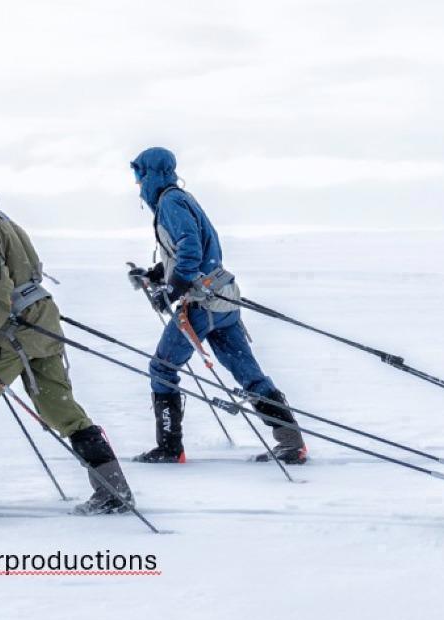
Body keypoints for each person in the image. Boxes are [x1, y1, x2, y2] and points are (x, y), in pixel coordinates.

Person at [0, 172, 134, 515]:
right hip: (42, 324)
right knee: (62, 411)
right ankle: (114, 491)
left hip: (13, 333)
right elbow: (12, 281)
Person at [125, 147, 308, 465]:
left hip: (203, 304)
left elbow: (191, 249)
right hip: (223, 299)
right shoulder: (181, 198)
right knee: (249, 374)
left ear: (151, 174)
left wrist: (172, 289)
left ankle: (170, 448)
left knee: (162, 368)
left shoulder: (170, 203)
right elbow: (195, 251)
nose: (138, 184)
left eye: (139, 176)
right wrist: (156, 274)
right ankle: (292, 442)